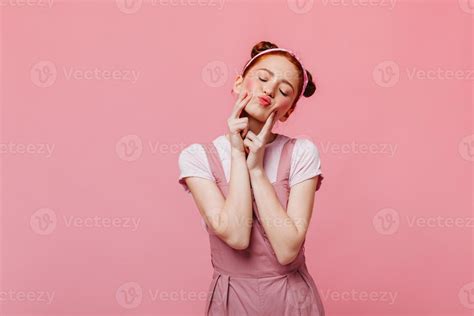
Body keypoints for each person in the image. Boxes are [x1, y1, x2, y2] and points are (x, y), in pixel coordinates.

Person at [178, 40, 325, 315]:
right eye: (263, 78)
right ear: (237, 83)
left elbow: (287, 249)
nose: (269, 89)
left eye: (283, 90)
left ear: (289, 110)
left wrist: (256, 169)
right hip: (231, 300)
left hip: (291, 300)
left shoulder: (301, 153)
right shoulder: (197, 157)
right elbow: (236, 235)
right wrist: (237, 154)